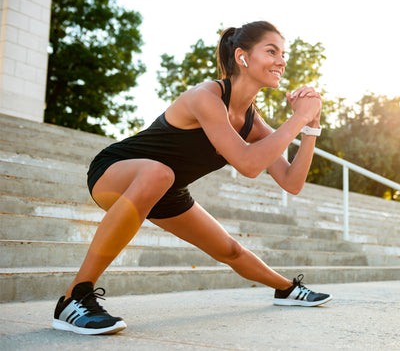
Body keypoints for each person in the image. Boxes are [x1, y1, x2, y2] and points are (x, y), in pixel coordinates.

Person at [52, 21, 331, 336]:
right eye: (272, 51)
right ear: (242, 57)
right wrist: (298, 117)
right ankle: (73, 298)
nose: (282, 60)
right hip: (116, 170)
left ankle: (288, 290)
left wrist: (311, 128)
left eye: (284, 53)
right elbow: (248, 165)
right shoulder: (206, 96)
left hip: (166, 188)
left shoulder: (253, 122)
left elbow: (292, 182)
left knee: (230, 250)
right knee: (159, 172)